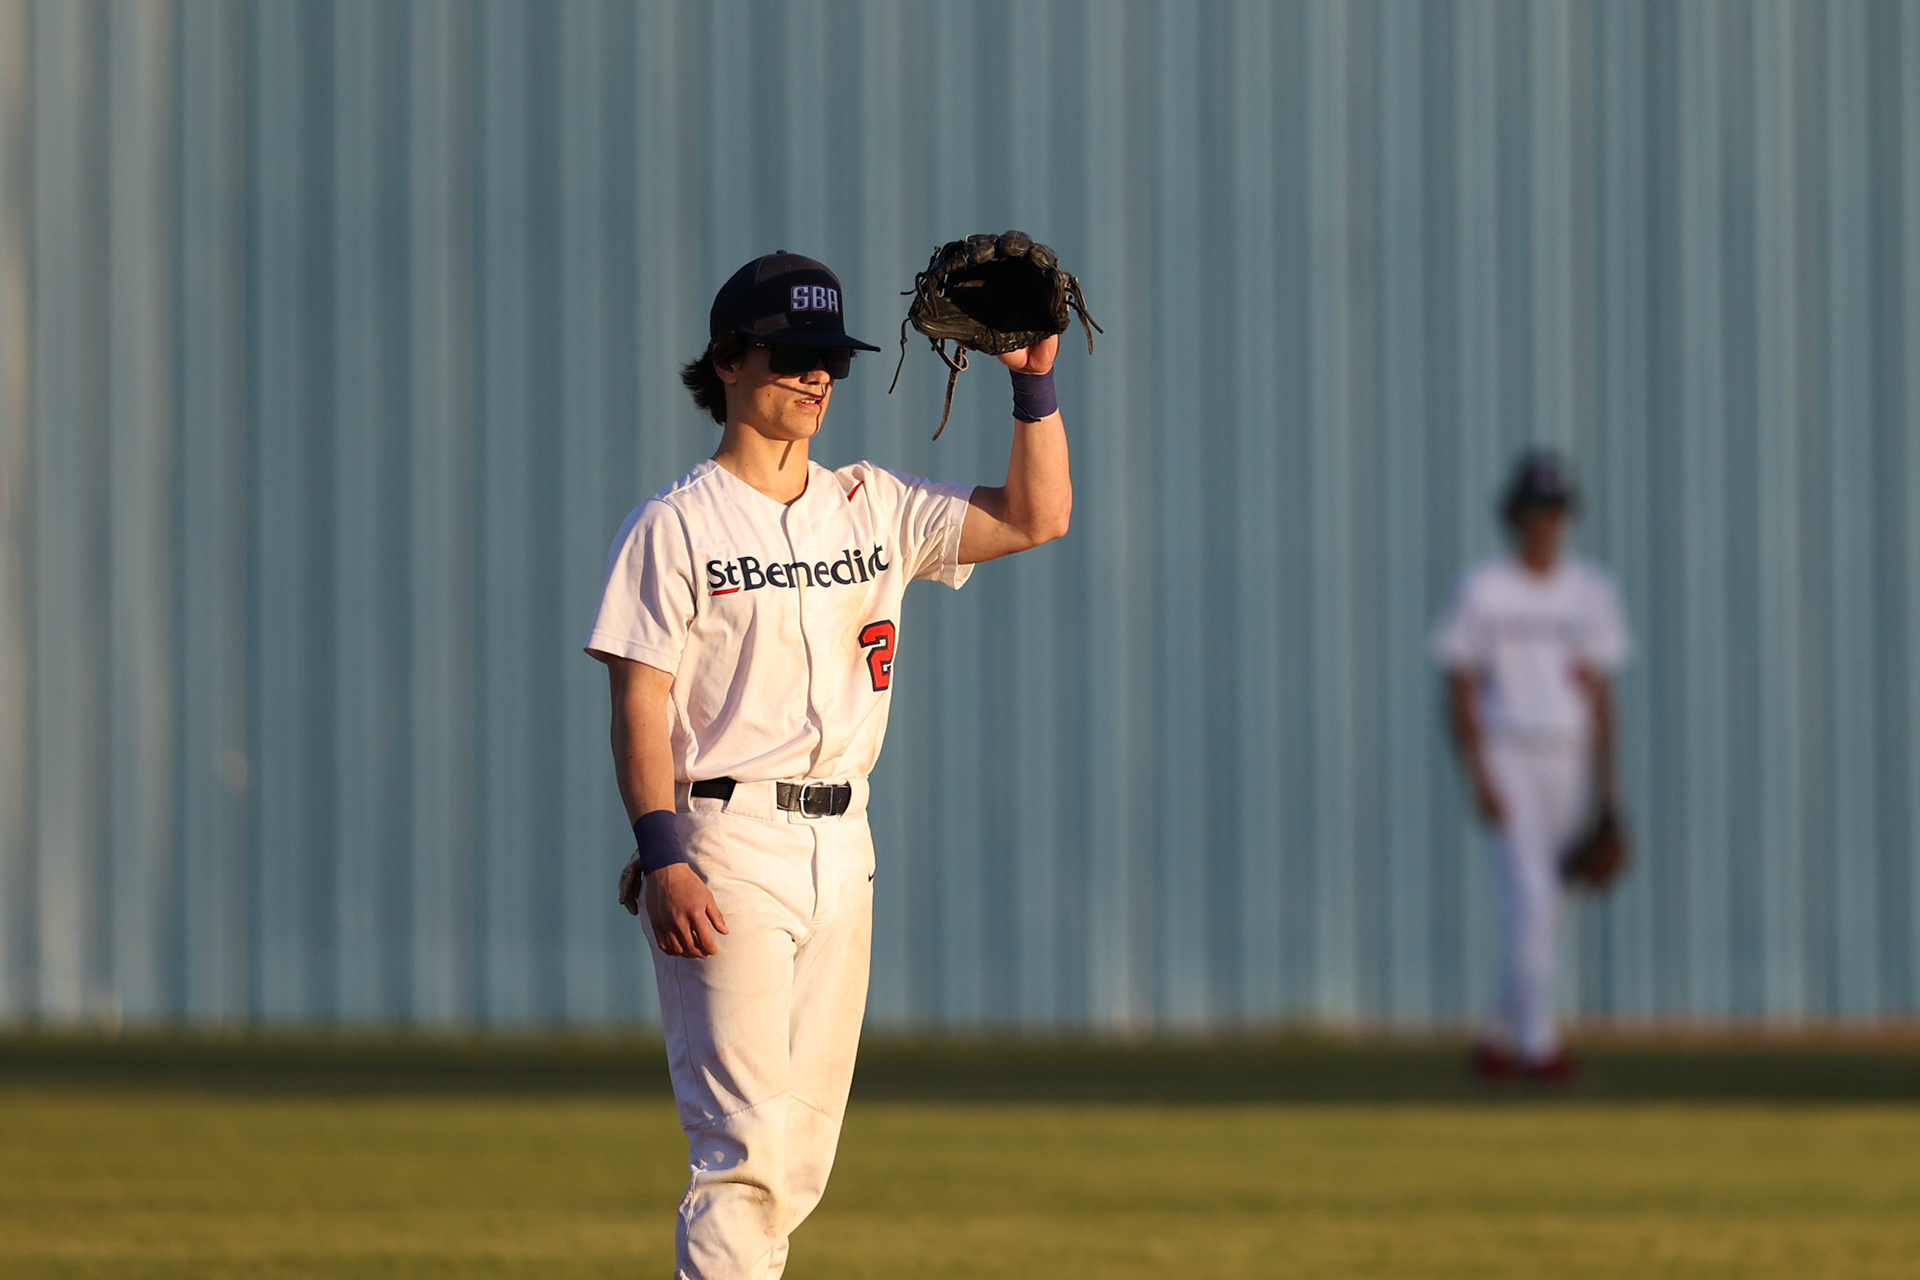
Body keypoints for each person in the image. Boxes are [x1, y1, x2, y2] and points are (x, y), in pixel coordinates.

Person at [583, 251, 1071, 1279]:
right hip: (726, 844)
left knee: (798, 1153)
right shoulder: (675, 526)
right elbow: (640, 704)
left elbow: (1039, 515)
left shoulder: (873, 504)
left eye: (832, 359)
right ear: (726, 360)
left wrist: (1033, 380)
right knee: (745, 1153)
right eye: (794, 354)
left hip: (845, 844)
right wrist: (663, 851)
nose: (817, 377)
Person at [1430, 450, 1632, 1082]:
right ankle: (1538, 1048)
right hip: (1508, 749)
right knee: (1533, 899)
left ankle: (1496, 1034)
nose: (1543, 522)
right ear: (1513, 517)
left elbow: (1599, 692)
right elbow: (1459, 686)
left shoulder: (1590, 591)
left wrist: (1609, 792)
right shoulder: (1484, 587)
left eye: (1554, 510)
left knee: (1550, 907)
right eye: (1533, 510)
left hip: (1568, 757)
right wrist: (1478, 775)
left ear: (1566, 517)